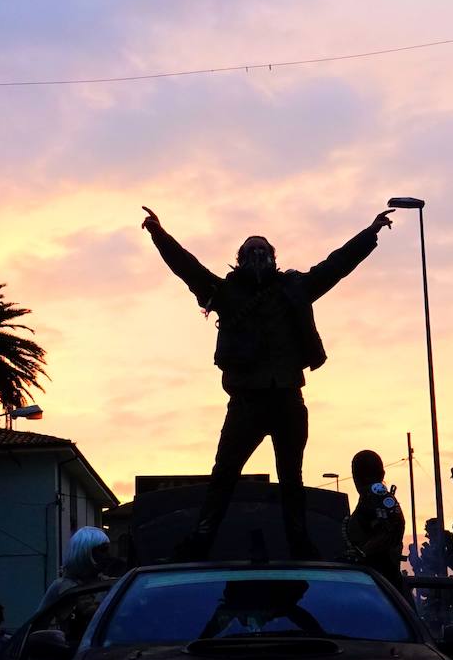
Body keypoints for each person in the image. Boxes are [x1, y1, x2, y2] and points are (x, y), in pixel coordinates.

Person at [142, 205, 395, 559]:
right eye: (250, 250)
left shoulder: (295, 288)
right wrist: (159, 234)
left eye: (263, 250)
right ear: (240, 259)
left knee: (292, 478)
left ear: (274, 258)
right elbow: (188, 267)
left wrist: (370, 234)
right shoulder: (225, 294)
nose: (258, 255)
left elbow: (335, 266)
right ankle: (201, 539)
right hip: (246, 402)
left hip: (289, 399)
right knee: (224, 474)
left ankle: (299, 544)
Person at [342, 449, 406, 593]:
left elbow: (394, 527)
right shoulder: (370, 498)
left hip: (381, 586)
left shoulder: (378, 497)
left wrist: (362, 553)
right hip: (374, 585)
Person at [37, 526, 111, 613]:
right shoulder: (62, 587)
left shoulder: (111, 585)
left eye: (107, 550)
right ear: (85, 553)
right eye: (103, 550)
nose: (108, 555)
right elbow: (39, 622)